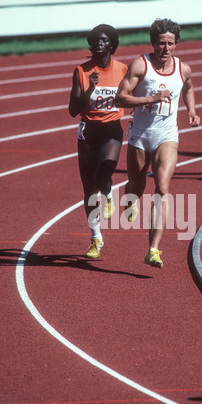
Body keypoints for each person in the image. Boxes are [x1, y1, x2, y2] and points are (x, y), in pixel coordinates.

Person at [115, 18, 200, 269]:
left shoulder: (183, 69)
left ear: (176, 44)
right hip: (140, 134)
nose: (165, 48)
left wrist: (192, 111)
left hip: (167, 134)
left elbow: (189, 88)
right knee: (137, 186)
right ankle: (129, 198)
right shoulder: (141, 65)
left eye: (170, 43)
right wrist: (150, 98)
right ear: (153, 43)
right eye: (161, 43)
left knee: (162, 188)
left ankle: (153, 249)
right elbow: (120, 98)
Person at [69, 24, 127, 259]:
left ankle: (108, 188)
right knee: (89, 190)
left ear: (112, 45)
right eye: (95, 40)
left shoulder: (123, 69)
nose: (98, 43)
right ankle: (96, 238)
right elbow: (73, 110)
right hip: (88, 131)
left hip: (112, 128)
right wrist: (91, 88)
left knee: (106, 169)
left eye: (103, 40)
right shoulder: (81, 71)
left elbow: (131, 96)